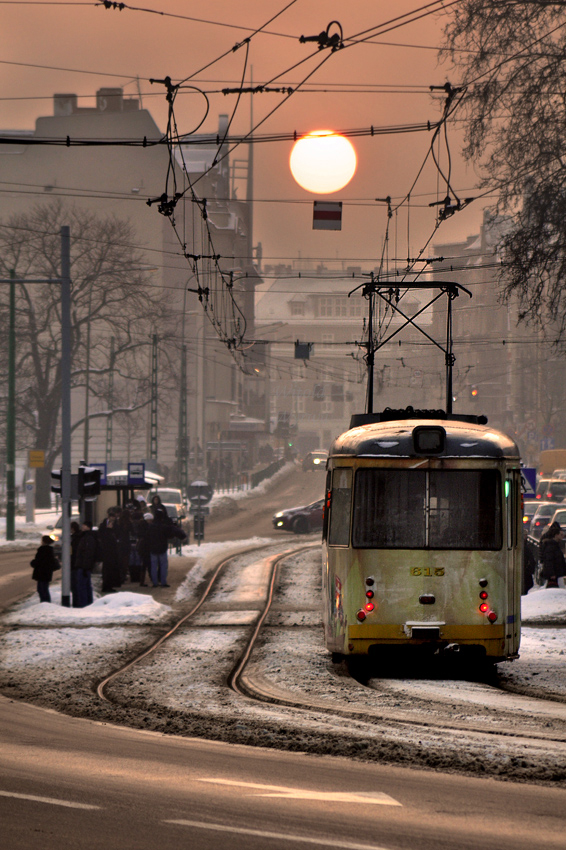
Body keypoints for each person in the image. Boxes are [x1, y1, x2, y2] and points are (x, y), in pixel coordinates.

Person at [73, 521, 97, 607]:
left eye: (84, 526)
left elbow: (88, 553)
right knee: (86, 586)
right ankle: (88, 603)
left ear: (88, 527)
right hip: (84, 566)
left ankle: (83, 604)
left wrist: (85, 567)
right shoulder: (86, 537)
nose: (82, 527)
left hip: (83, 566)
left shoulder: (88, 538)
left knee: (82, 586)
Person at [30, 535, 60, 602]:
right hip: (46, 572)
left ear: (44, 541)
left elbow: (39, 561)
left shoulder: (43, 550)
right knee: (43, 588)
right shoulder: (49, 550)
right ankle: (45, 602)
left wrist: (33, 563)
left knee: (42, 589)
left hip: (42, 572)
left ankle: (45, 602)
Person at [98, 507, 121, 593]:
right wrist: (108, 529)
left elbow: (118, 535)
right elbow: (101, 535)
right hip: (106, 550)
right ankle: (106, 585)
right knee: (107, 568)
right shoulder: (103, 525)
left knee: (111, 568)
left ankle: (110, 585)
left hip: (113, 550)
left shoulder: (116, 526)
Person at [540, 523, 566, 588]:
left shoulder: (555, 545)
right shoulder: (551, 546)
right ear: (556, 535)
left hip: (557, 573)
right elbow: (549, 561)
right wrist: (551, 573)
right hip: (554, 574)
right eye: (561, 535)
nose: (563, 536)